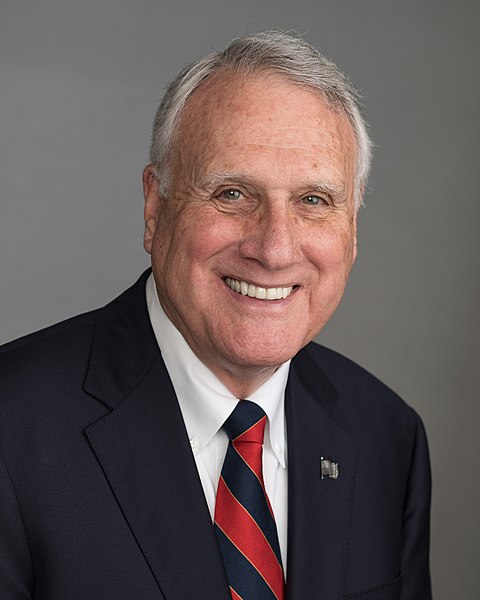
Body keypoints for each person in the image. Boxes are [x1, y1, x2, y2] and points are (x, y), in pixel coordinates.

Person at [0, 31, 431, 599]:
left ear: (352, 229)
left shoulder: (386, 436)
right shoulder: (13, 425)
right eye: (232, 193)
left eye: (314, 201)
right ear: (156, 208)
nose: (275, 249)